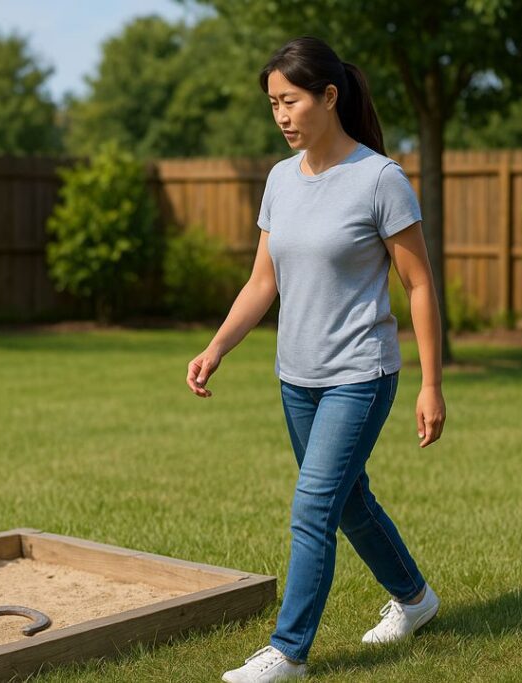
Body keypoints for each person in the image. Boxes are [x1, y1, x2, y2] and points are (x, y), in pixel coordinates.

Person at [185, 36, 447, 683]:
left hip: (361, 373)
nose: (281, 115)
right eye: (273, 103)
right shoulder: (280, 180)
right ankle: (415, 598)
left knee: (312, 508)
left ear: (330, 96)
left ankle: (289, 651)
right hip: (295, 378)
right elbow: (261, 283)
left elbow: (418, 284)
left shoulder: (379, 178)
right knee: (348, 499)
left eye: (291, 100)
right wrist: (217, 346)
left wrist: (431, 384)